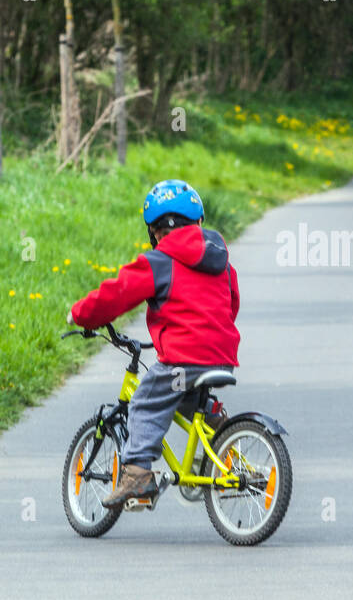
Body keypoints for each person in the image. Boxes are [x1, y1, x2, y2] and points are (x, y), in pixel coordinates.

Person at [67, 179, 240, 508]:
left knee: (146, 400)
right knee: (185, 396)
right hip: (221, 356)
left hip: (183, 360)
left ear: (155, 231)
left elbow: (115, 295)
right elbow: (231, 304)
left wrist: (81, 314)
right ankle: (218, 423)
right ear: (199, 223)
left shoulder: (158, 263)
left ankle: (136, 475)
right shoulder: (221, 263)